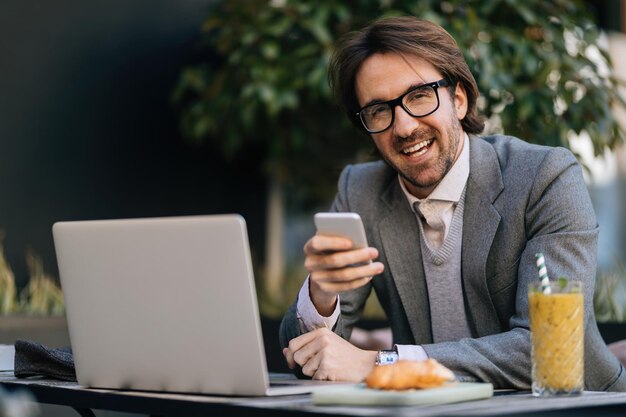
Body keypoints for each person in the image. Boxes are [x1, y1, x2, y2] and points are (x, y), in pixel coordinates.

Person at [279, 16, 626, 391]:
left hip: (575, 406)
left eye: (419, 96)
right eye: (380, 110)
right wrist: (321, 293)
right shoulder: (359, 191)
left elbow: (547, 346)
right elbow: (300, 353)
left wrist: (383, 362)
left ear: (458, 99)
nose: (405, 127)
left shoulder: (545, 177)